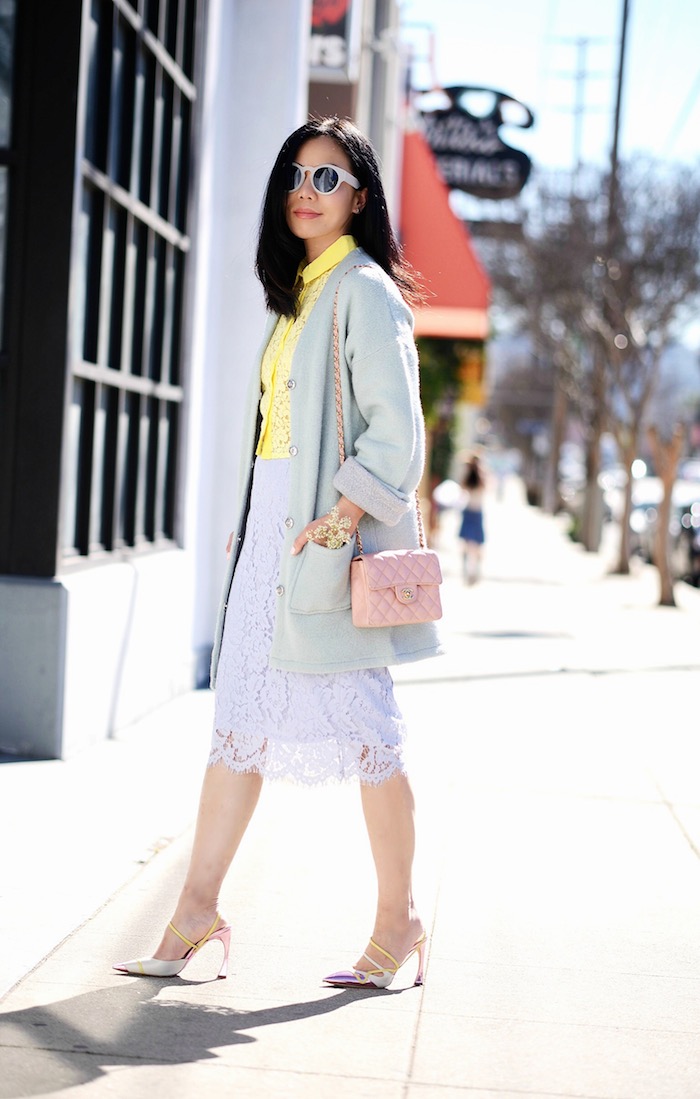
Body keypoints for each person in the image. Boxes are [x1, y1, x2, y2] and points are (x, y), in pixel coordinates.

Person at [113, 117, 442, 989]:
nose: (306, 188)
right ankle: (194, 912)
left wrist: (335, 520)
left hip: (325, 541)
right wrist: (261, 522)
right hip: (273, 536)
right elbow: (280, 437)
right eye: (296, 173)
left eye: (328, 178)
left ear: (361, 197)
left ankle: (400, 920)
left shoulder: (366, 291)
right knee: (239, 724)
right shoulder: (302, 292)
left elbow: (397, 438)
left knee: (369, 731)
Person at [458, 454, 486, 584]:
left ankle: (465, 568)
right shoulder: (481, 478)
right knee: (478, 543)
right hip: (477, 511)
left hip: (468, 510)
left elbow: (461, 488)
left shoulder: (468, 478)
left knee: (465, 542)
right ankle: (477, 570)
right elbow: (486, 488)